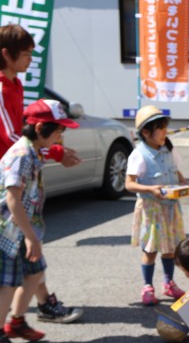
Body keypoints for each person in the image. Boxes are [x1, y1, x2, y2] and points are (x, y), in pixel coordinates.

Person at [0, 24, 83, 325]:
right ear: (6, 54)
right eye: (25, 55)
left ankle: (33, 310)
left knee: (28, 253)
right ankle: (34, 310)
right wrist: (53, 153)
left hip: (17, 180)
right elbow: (13, 138)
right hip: (7, 184)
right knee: (22, 255)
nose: (29, 61)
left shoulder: (16, 84)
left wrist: (50, 151)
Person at [0, 99, 79, 343]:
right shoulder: (22, 155)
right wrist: (30, 236)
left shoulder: (34, 150)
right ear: (39, 128)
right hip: (9, 230)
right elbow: (12, 199)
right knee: (8, 284)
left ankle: (17, 322)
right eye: (57, 129)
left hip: (24, 227)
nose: (60, 134)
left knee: (35, 273)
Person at [125, 105, 189, 305]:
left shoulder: (169, 149)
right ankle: (147, 286)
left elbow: (176, 170)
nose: (165, 132)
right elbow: (129, 183)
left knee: (170, 248)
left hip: (170, 207)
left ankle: (169, 283)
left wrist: (184, 183)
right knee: (150, 250)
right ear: (146, 132)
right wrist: (150, 190)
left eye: (165, 127)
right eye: (160, 128)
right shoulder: (139, 154)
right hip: (152, 209)